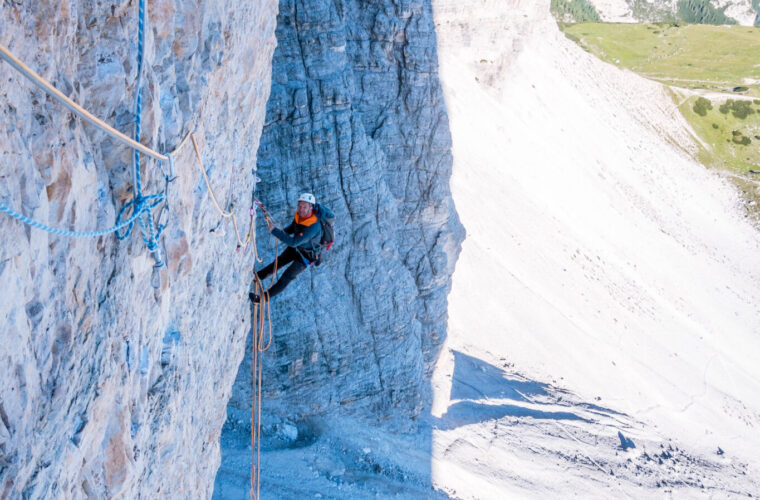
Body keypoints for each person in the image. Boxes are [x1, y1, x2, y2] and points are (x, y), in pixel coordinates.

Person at [249, 193, 322, 303]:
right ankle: (257, 276)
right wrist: (282, 232)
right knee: (278, 262)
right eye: (300, 206)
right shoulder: (299, 215)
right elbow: (293, 228)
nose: (301, 209)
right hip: (298, 248)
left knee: (285, 278)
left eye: (304, 207)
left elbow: (293, 242)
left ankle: (261, 299)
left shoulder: (313, 226)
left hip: (306, 256)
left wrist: (275, 231)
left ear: (311, 208)